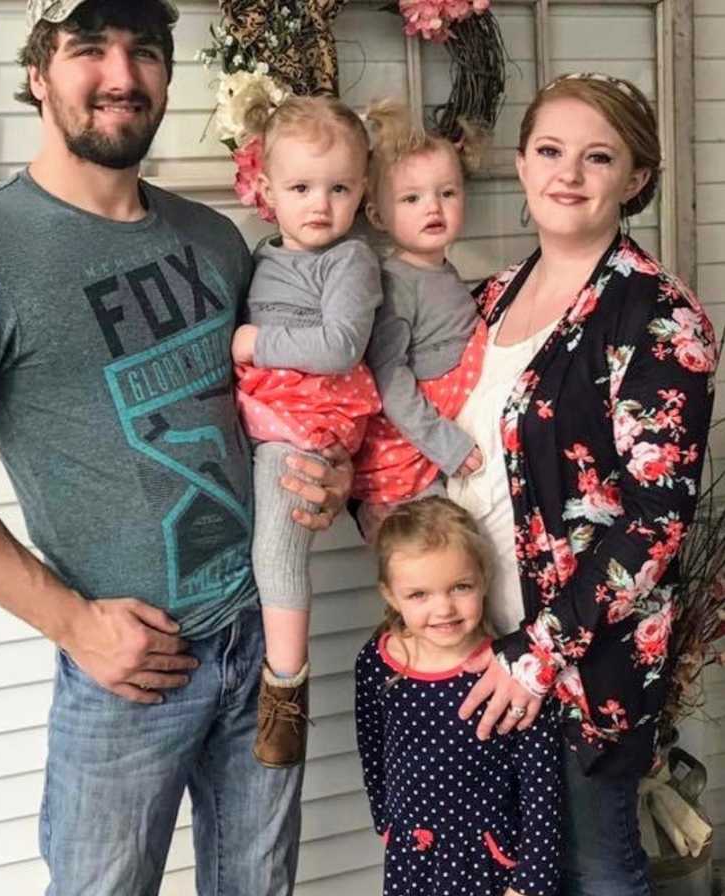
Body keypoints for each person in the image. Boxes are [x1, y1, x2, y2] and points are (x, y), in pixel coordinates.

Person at [0, 2, 354, 894]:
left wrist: (324, 475)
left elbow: (275, 400)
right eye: (88, 48)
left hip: (262, 642)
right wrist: (73, 625)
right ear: (36, 73)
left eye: (144, 51)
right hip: (127, 672)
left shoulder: (213, 238)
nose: (120, 75)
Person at [445, 73, 718, 894]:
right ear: (524, 164)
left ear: (634, 180)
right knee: (506, 872)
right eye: (551, 151)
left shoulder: (659, 318)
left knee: (596, 868)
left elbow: (656, 524)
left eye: (597, 157)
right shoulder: (483, 301)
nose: (568, 173)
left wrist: (537, 655)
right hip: (470, 633)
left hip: (576, 662)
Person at [230, 95, 382, 768]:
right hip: (267, 413)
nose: (320, 205)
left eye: (339, 188)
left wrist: (255, 342)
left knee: (277, 551)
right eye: (300, 187)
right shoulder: (261, 256)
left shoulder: (349, 262)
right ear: (265, 189)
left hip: (308, 417)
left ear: (362, 191)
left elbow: (340, 346)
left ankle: (284, 692)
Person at [355, 497, 562, 896]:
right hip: (413, 857)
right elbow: (373, 749)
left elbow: (541, 788)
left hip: (491, 861)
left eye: (460, 587)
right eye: (419, 595)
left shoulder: (510, 673)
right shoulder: (378, 664)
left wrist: (530, 883)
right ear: (390, 594)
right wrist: (387, 824)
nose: (444, 608)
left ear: (482, 579)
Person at [351, 99, 486, 544]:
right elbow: (388, 377)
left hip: (441, 449)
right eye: (411, 198)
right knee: (433, 557)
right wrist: (443, 442)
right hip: (410, 458)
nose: (434, 207)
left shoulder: (441, 272)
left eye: (447, 193)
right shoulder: (394, 283)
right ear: (377, 215)